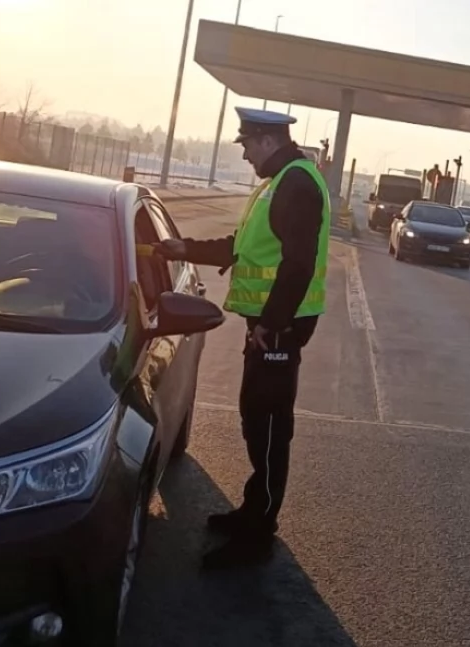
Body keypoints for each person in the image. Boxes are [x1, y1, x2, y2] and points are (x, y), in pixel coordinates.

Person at [153, 107, 330, 569]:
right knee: (256, 419)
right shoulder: (277, 183)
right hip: (271, 325)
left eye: (248, 144)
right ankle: (254, 510)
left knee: (269, 428)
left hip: (282, 328)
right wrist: (186, 248)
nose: (246, 154)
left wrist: (271, 326)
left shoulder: (296, 184)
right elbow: (243, 247)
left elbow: (297, 265)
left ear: (268, 141)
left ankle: (259, 531)